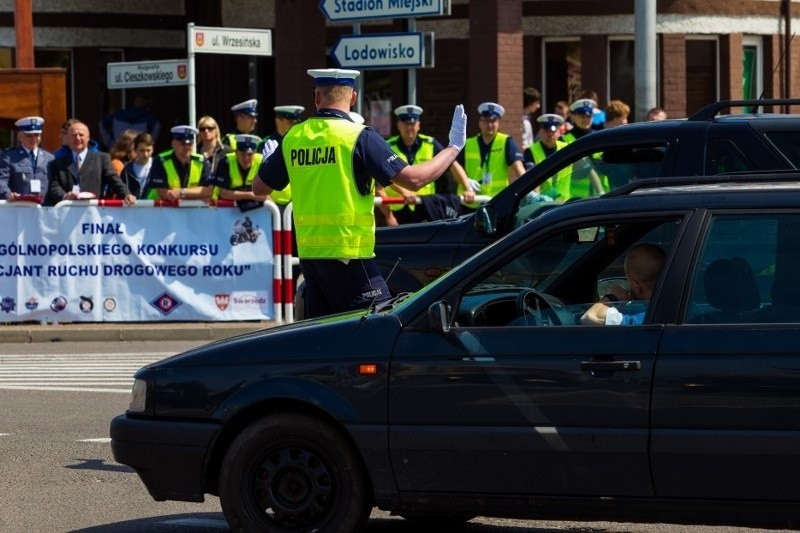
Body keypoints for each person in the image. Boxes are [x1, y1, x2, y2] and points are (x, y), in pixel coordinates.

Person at [253, 67, 467, 319]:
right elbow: (415, 179)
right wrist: (453, 147)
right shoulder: (357, 136)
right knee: (381, 332)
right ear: (353, 97)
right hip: (350, 256)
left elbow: (259, 188)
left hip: (311, 259)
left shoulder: (294, 137)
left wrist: (267, 164)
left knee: (325, 340)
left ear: (316, 97)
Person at [379, 104, 475, 225]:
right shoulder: (388, 146)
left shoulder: (430, 143)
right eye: (405, 123)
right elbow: (381, 175)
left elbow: (452, 163)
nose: (409, 128)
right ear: (398, 125)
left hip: (426, 207)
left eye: (412, 124)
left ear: (419, 125)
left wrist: (468, 189)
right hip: (398, 208)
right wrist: (403, 193)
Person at [45, 121, 136, 206]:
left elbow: (114, 179)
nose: (77, 138)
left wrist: (126, 194)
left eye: (81, 135)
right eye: (74, 135)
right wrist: (65, 196)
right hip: (67, 213)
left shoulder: (102, 159)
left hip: (93, 213)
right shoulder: (57, 162)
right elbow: (54, 186)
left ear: (88, 138)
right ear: (68, 138)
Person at [456, 102, 525, 208]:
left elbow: (519, 168)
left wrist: (528, 189)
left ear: (499, 123)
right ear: (480, 122)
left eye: (493, 121)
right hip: (470, 203)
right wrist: (466, 184)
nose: (490, 125)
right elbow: (454, 167)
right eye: (486, 121)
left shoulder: (506, 141)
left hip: (497, 202)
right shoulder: (468, 143)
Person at [580, 243, 666, 325]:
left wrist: (611, 297)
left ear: (636, 286)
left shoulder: (645, 317)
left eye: (628, 281)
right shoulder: (673, 306)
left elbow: (589, 317)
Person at [148, 125, 214, 201]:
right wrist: (198, 195)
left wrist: (181, 192)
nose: (187, 147)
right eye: (183, 143)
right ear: (173, 144)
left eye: (190, 144)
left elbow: (210, 190)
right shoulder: (161, 160)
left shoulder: (201, 161)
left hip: (190, 210)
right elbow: (165, 194)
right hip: (161, 210)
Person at [0, 116, 55, 202]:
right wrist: (8, 194)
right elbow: (1, 181)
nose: (34, 139)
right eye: (29, 135)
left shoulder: (50, 158)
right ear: (20, 136)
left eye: (37, 135)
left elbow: (55, 185)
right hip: (19, 208)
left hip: (44, 209)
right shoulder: (8, 157)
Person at [260, 105, 304, 208]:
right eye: (290, 123)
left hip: (297, 202)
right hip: (272, 203)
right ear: (278, 121)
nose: (294, 126)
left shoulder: (301, 142)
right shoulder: (266, 143)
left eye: (296, 123)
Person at [562, 97, 606, 197]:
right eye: (582, 116)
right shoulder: (564, 140)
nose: (586, 119)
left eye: (589, 116)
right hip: (576, 197)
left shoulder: (599, 137)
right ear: (572, 117)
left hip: (602, 196)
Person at [214, 134, 267, 212]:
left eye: (250, 154)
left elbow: (265, 195)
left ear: (255, 152)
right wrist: (251, 195)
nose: (246, 158)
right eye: (242, 154)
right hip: (227, 212)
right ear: (235, 152)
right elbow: (223, 193)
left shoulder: (262, 162)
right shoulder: (226, 161)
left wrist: (237, 195)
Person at [524, 114, 570, 201]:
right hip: (543, 204)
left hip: (565, 203)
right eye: (546, 130)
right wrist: (537, 199)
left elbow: (586, 168)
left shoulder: (567, 148)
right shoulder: (531, 151)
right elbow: (532, 179)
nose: (550, 134)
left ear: (559, 132)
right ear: (540, 131)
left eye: (553, 130)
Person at [120, 132, 155, 199]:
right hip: (133, 207)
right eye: (142, 151)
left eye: (148, 150)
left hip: (154, 207)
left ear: (153, 149)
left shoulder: (158, 166)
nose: (145, 154)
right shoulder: (127, 170)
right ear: (135, 150)